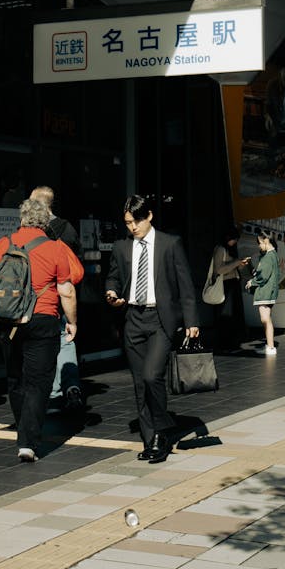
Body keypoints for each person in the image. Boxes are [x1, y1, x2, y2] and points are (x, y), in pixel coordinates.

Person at [0, 198, 77, 462]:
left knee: (15, 379)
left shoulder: (4, 244)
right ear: (45, 222)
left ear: (21, 219)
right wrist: (72, 321)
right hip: (43, 319)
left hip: (8, 322)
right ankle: (28, 441)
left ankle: (24, 429)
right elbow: (66, 290)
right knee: (38, 382)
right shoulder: (55, 248)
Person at [105, 194, 199, 464]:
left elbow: (185, 285)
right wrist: (111, 291)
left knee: (151, 376)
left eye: (136, 221)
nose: (132, 227)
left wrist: (191, 321)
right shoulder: (122, 247)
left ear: (149, 216)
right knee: (138, 384)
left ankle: (161, 432)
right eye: (127, 223)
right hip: (133, 318)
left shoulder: (170, 244)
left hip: (160, 319)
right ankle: (150, 439)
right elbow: (112, 275)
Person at [30, 185, 83, 411]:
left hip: (43, 296)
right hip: (65, 291)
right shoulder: (68, 228)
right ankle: (72, 385)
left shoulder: (35, 229)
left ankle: (53, 393)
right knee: (66, 339)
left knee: (46, 345)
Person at [211, 226, 250, 350]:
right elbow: (219, 269)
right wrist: (237, 262)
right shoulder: (220, 249)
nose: (235, 242)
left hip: (233, 283)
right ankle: (225, 343)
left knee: (234, 315)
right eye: (234, 239)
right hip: (225, 285)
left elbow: (234, 268)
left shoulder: (230, 249)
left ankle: (233, 342)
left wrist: (241, 264)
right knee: (226, 314)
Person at [245, 230, 280, 356]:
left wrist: (252, 282)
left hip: (266, 292)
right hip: (269, 291)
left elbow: (263, 276)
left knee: (265, 319)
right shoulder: (273, 255)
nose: (259, 246)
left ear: (265, 240)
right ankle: (269, 346)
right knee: (266, 319)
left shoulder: (268, 257)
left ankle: (270, 348)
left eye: (259, 243)